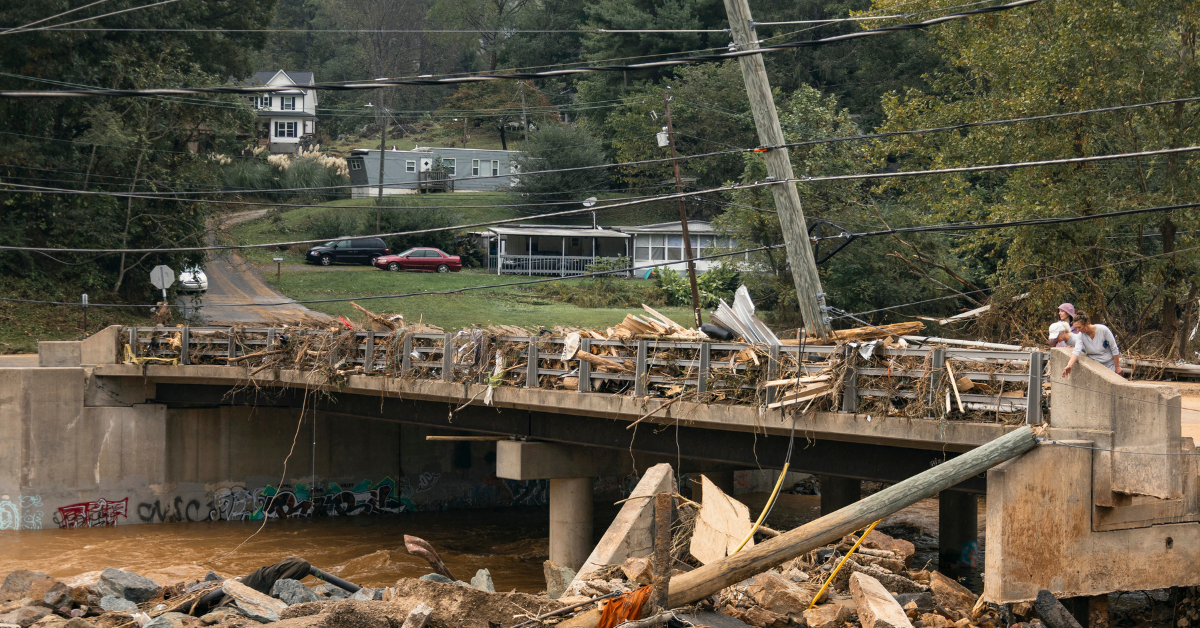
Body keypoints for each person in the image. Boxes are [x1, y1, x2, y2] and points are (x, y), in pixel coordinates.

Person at [1061, 312, 1123, 377]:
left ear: (1087, 323)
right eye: (1076, 328)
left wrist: (1117, 366)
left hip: (1109, 364)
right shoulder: (1080, 335)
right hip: (1095, 365)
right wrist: (1069, 365)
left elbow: (1114, 348)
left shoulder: (1103, 330)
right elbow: (1077, 350)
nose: (1078, 330)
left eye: (1079, 327)